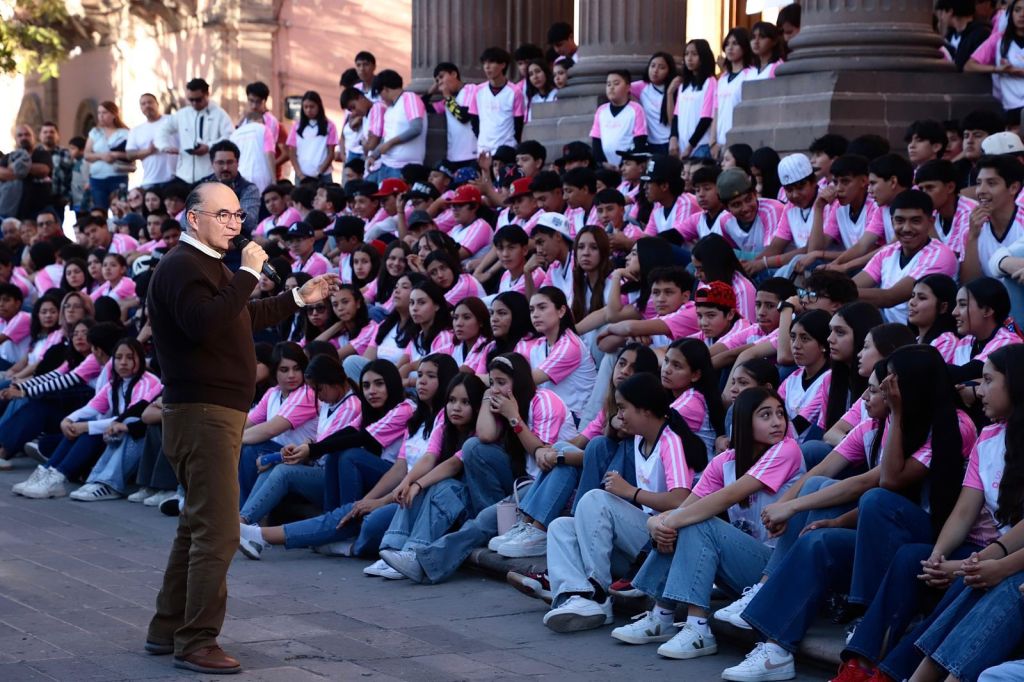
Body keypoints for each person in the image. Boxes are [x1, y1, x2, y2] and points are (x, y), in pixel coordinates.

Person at [145, 181, 337, 674]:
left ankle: (168, 628)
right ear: (193, 218)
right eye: (223, 214)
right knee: (220, 531)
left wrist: (297, 297)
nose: (235, 223)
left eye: (237, 215)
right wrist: (250, 271)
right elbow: (206, 323)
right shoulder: (182, 266)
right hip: (202, 413)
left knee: (197, 526)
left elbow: (237, 317)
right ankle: (197, 640)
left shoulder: (208, 267)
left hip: (213, 413)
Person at [853, 190, 959, 324]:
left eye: (915, 221)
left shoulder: (940, 255)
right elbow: (852, 286)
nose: (906, 228)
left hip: (928, 338)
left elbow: (890, 297)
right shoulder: (888, 252)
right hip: (892, 331)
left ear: (930, 222)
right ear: (892, 222)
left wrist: (833, 292)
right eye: (900, 220)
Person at [156, 78, 234, 185]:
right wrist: (164, 146)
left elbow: (229, 137)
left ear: (207, 94)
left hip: (209, 175)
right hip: (183, 175)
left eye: (198, 99)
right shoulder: (182, 114)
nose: (194, 103)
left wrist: (209, 147)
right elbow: (162, 130)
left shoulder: (219, 114)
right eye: (190, 100)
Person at [366, 70, 427, 181]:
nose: (381, 98)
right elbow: (386, 138)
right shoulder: (390, 109)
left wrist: (390, 143)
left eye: (380, 94)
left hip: (404, 167)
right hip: (386, 165)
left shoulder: (410, 98)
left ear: (385, 89)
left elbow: (416, 128)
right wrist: (373, 155)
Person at [469, 47, 526, 154]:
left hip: (507, 149)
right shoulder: (478, 91)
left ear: (503, 65)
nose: (487, 67)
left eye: (491, 62)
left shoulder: (515, 92)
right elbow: (474, 120)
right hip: (484, 150)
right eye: (484, 63)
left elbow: (518, 123)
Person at [197, 140, 260, 235]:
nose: (225, 168)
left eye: (230, 162)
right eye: (220, 163)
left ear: (237, 163)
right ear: (212, 163)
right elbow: (185, 221)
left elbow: (249, 223)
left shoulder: (249, 189)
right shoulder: (201, 186)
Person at [710, 27, 754, 159]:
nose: (730, 48)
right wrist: (712, 141)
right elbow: (716, 111)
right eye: (727, 44)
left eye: (735, 44)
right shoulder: (722, 79)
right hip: (719, 143)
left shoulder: (750, 74)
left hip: (738, 140)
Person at [591, 70, 648, 168]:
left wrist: (624, 164)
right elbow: (596, 139)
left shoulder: (636, 109)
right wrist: (602, 163)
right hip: (606, 167)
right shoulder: (601, 110)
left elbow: (640, 139)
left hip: (627, 166)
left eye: (616, 84)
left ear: (628, 87)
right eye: (608, 84)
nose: (611, 87)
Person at [670, 40, 717, 160]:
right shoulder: (683, 86)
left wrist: (690, 146)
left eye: (694, 54)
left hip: (700, 145)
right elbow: (676, 116)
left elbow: (706, 118)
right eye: (686, 54)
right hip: (682, 147)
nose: (689, 58)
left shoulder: (710, 82)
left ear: (703, 56)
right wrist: (673, 138)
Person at [230, 81, 279, 193]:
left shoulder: (270, 121)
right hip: (242, 171)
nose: (254, 106)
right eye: (251, 101)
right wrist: (241, 119)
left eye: (257, 102)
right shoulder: (244, 119)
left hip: (261, 171)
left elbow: (269, 150)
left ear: (264, 101)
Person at [428, 63, 478, 168]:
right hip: (453, 156)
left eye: (441, 77)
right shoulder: (447, 101)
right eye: (437, 80)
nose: (440, 82)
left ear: (454, 74)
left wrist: (447, 96)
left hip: (471, 155)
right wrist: (431, 90)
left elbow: (463, 117)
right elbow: (423, 107)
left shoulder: (470, 89)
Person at [125, 93, 177, 190]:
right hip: (150, 181)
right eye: (143, 104)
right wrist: (149, 151)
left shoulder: (172, 120)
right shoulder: (136, 130)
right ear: (140, 108)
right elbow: (129, 155)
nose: (147, 106)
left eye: (150, 102)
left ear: (157, 104)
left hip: (174, 178)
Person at [38, 122, 73, 210]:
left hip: (59, 200)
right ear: (40, 136)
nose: (48, 134)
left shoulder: (66, 153)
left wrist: (67, 197)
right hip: (37, 199)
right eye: (45, 132)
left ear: (57, 135)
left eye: (52, 132)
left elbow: (71, 176)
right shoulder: (34, 154)